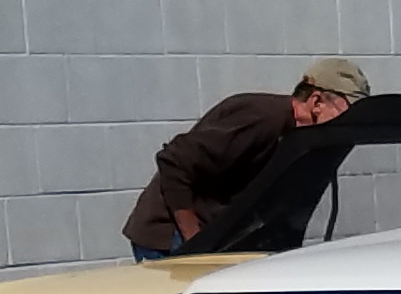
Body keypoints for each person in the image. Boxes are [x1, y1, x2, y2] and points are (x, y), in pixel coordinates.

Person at [123, 59, 369, 258]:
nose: (350, 122)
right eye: (348, 111)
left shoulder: (299, 138)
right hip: (169, 237)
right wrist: (195, 245)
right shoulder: (262, 118)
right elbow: (174, 161)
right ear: (316, 101)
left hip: (215, 237)